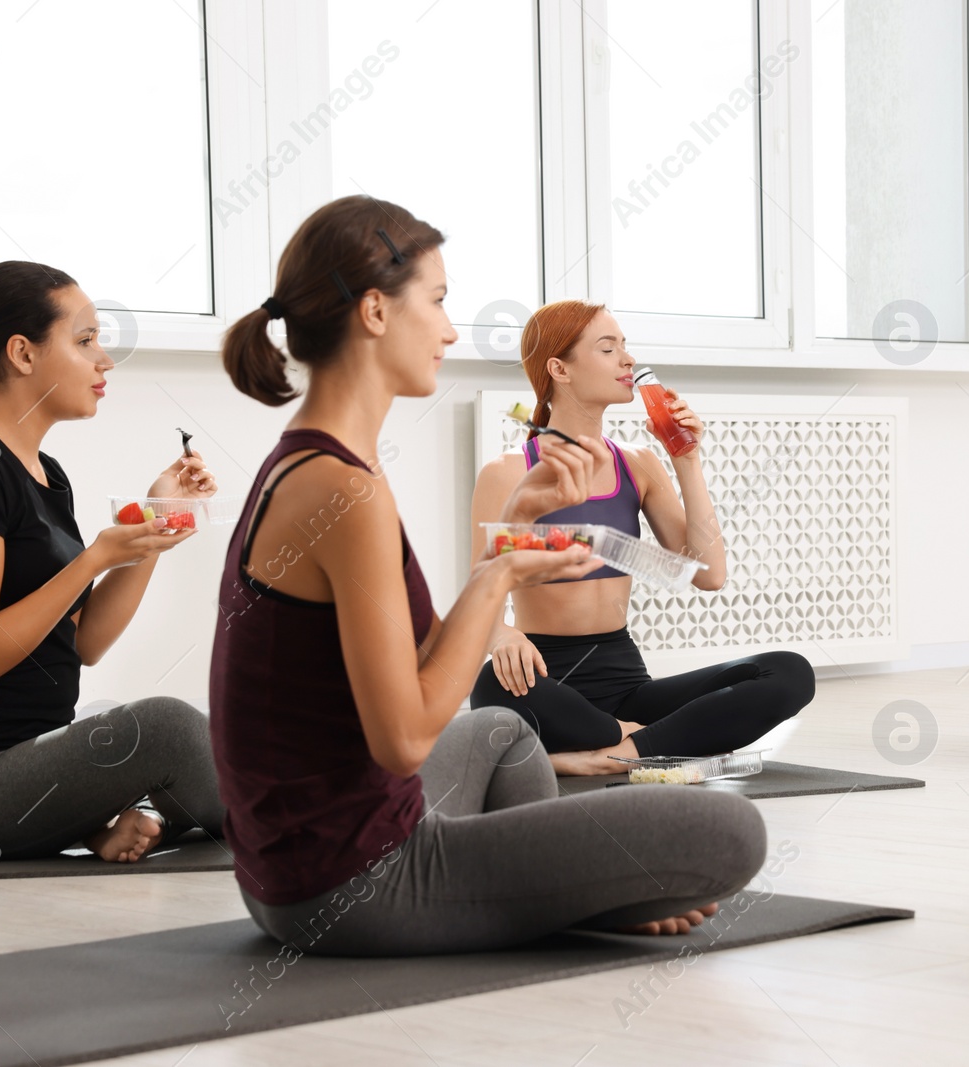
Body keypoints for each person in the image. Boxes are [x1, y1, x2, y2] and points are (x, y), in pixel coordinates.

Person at [211, 196, 766, 955]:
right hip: (356, 884)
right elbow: (405, 738)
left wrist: (510, 532)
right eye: (437, 302)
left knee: (502, 732)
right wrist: (503, 574)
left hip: (296, 871)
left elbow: (426, 657)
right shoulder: (345, 490)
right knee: (729, 832)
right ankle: (562, 889)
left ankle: (551, 884)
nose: (447, 329)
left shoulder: (314, 462)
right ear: (375, 310)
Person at [0, 261, 224, 863]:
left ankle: (106, 824)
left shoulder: (47, 474)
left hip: (24, 762)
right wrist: (95, 558)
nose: (105, 360)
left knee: (141, 720)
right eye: (84, 341)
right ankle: (297, 810)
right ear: (23, 354)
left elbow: (84, 644)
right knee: (167, 729)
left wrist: (149, 529)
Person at [468, 300, 815, 776]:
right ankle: (654, 742)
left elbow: (709, 575)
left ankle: (605, 756)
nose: (628, 360)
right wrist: (502, 633)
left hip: (626, 681)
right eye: (608, 349)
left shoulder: (639, 464)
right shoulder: (507, 472)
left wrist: (687, 461)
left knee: (788, 672)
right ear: (559, 369)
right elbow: (478, 596)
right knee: (492, 686)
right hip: (545, 679)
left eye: (625, 347)